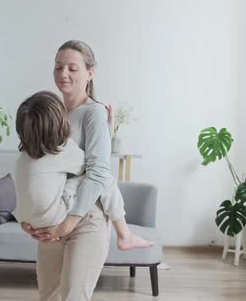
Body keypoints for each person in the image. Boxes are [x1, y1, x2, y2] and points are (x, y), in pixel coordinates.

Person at [18, 40, 148, 301]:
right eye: (58, 67)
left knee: (73, 297)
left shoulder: (94, 113)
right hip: (54, 219)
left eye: (72, 68)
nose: (63, 74)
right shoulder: (52, 112)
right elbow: (33, 168)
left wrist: (67, 225)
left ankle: (124, 235)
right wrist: (29, 220)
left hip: (86, 219)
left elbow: (99, 173)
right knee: (49, 296)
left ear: (90, 73)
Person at [13, 91, 152, 251]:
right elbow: (95, 166)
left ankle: (125, 235)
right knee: (102, 177)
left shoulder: (24, 154)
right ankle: (124, 234)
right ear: (59, 121)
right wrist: (108, 132)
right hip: (50, 216)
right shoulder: (61, 150)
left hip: (26, 219)